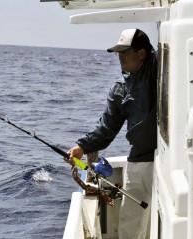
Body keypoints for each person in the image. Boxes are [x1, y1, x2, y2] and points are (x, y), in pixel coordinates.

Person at [67, 29, 157, 239]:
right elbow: (107, 128)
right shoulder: (119, 89)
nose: (120, 57)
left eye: (125, 52)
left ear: (142, 53)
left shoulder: (159, 67)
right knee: (130, 219)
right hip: (141, 158)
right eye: (118, 53)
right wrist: (82, 147)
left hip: (170, 157)